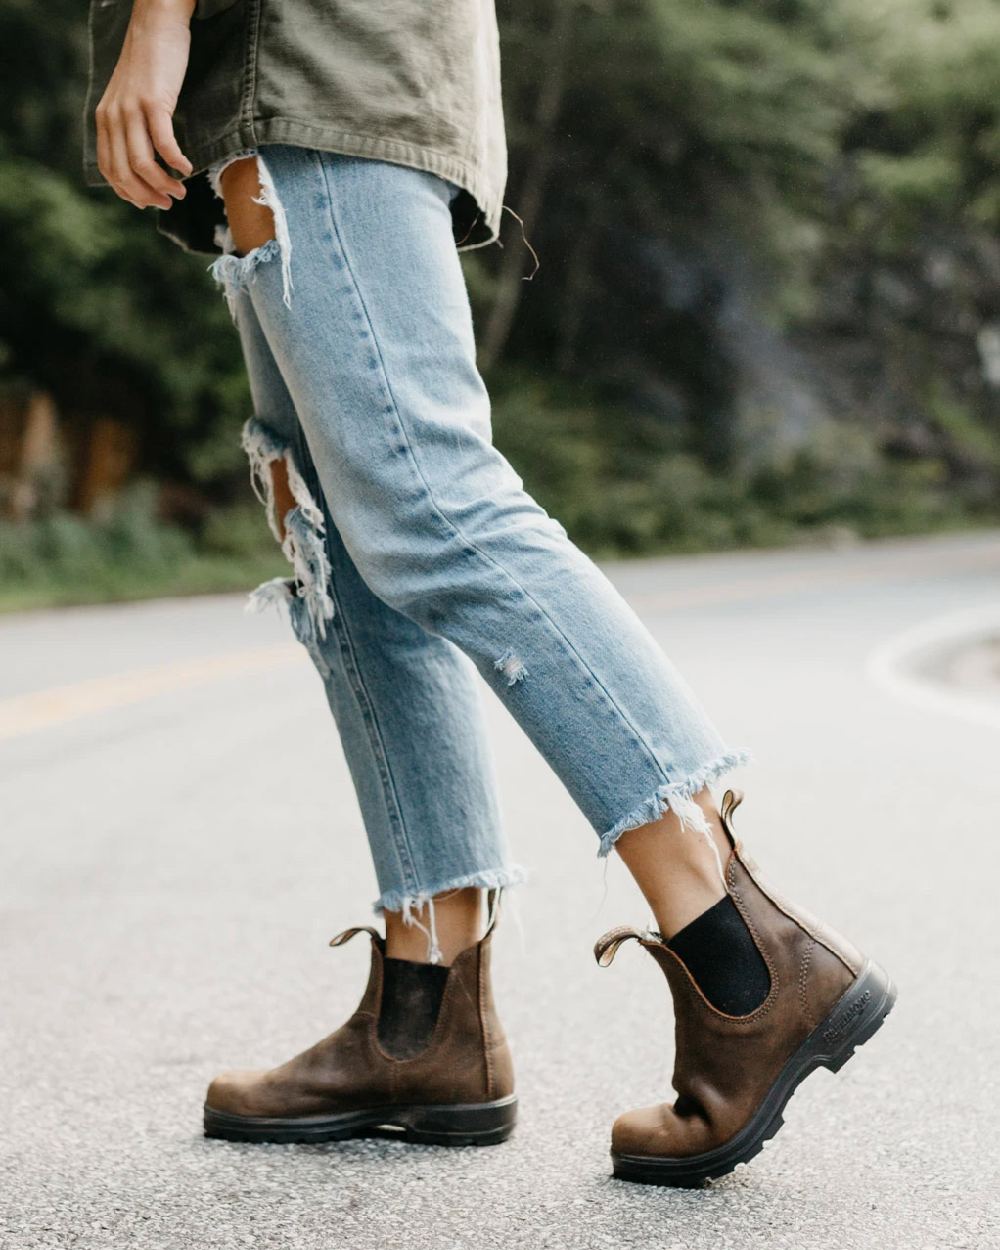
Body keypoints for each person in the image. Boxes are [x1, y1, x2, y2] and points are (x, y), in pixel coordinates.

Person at [83, 0, 895, 1186]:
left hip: (315, 63)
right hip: (319, 77)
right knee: (342, 547)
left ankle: (745, 950)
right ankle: (428, 1014)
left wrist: (157, 18)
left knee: (429, 503)